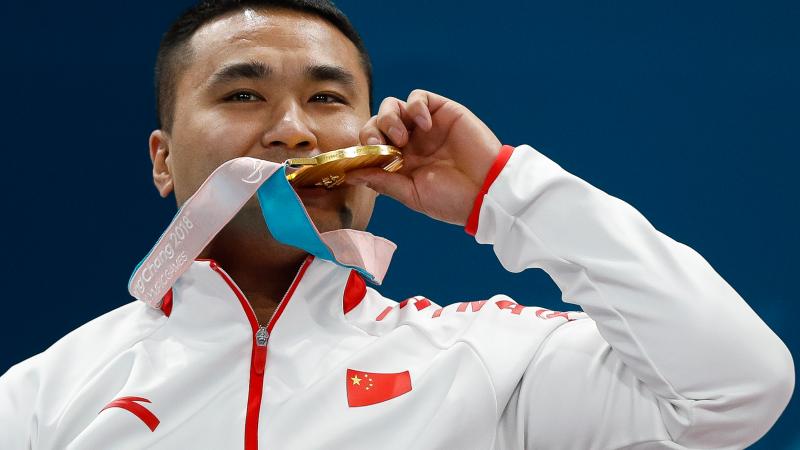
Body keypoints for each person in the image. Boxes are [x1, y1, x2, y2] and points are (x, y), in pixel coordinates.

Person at [0, 0, 794, 448]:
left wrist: (503, 189)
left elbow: (737, 389)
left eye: (326, 97)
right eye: (243, 95)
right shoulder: (46, 397)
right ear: (163, 160)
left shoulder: (486, 362)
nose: (293, 133)